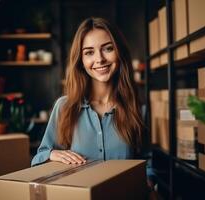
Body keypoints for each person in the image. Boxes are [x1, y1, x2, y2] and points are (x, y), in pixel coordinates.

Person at [31, 17, 155, 191]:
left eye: (108, 48)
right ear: (80, 60)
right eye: (89, 52)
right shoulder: (64, 107)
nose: (100, 59)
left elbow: (147, 162)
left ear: (119, 52)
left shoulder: (139, 109)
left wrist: (148, 183)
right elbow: (38, 160)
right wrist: (52, 154)